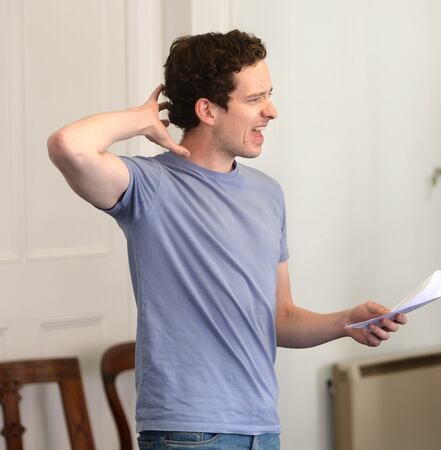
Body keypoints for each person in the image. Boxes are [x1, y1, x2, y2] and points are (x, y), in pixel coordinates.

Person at [47, 30, 406, 450]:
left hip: (261, 428)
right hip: (188, 433)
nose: (271, 111)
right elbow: (68, 145)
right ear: (208, 110)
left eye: (269, 95)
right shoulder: (150, 186)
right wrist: (141, 118)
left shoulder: (267, 194)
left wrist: (347, 322)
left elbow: (280, 317)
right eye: (254, 100)